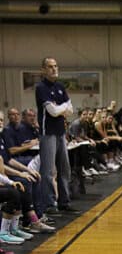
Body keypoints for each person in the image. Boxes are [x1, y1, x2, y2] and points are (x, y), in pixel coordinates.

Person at [35, 57, 80, 215]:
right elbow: (52, 112)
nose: (54, 69)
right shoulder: (41, 88)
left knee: (64, 169)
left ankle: (64, 202)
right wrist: (62, 108)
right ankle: (49, 203)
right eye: (50, 67)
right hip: (48, 134)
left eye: (55, 66)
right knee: (48, 171)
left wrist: (59, 108)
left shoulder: (60, 87)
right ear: (43, 70)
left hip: (61, 133)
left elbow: (71, 109)